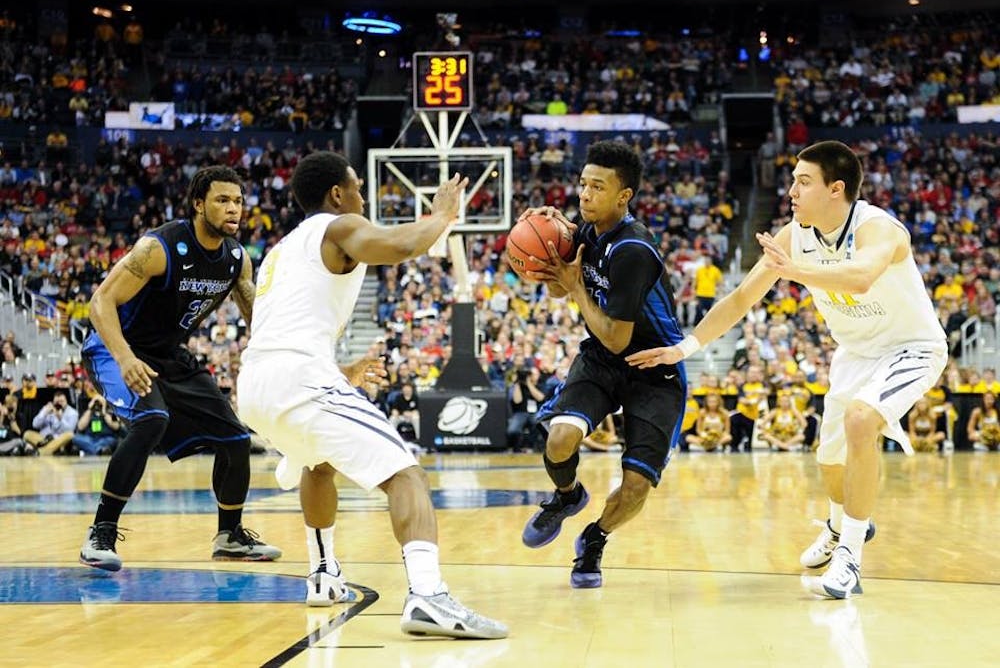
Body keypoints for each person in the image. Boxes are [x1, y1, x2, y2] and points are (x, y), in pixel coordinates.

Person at [627, 140, 947, 600]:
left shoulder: (880, 229)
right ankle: (845, 525)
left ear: (836, 189)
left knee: (861, 421)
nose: (791, 190)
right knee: (829, 463)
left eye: (803, 181)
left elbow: (860, 277)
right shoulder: (794, 236)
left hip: (911, 348)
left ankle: (850, 558)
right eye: (792, 181)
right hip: (855, 353)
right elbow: (740, 299)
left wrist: (794, 271)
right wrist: (686, 347)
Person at [237, 151, 506, 639]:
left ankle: (323, 574)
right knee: (407, 475)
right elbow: (399, 246)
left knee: (319, 464)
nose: (363, 197)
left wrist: (341, 371)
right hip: (298, 378)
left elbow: (279, 335)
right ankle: (428, 596)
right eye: (358, 187)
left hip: (257, 382)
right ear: (338, 194)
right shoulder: (339, 226)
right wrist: (443, 214)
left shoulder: (281, 250)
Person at [79, 165, 281, 572]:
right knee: (152, 417)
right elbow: (100, 302)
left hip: (170, 354)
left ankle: (230, 536)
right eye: (222, 200)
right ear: (197, 204)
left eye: (238, 201)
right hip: (115, 346)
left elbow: (258, 321)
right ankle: (100, 532)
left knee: (236, 438)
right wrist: (125, 358)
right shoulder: (159, 247)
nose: (233, 209)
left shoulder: (236, 259)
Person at [519, 140, 687, 590]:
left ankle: (595, 538)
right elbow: (559, 288)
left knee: (636, 485)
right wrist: (539, 250)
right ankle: (567, 496)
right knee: (559, 438)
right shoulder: (586, 233)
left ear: (623, 196)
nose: (585, 194)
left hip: (655, 369)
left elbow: (617, 336)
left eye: (597, 186)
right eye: (582, 184)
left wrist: (575, 290)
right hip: (602, 361)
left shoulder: (633, 248)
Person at [25, 390, 78, 455]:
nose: (59, 404)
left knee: (70, 435)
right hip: (42, 439)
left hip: (58, 440)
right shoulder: (47, 409)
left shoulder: (72, 413)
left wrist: (60, 418)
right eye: (57, 402)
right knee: (27, 434)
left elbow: (69, 430)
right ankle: (50, 450)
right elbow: (35, 425)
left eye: (62, 401)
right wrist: (44, 412)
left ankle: (40, 452)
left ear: (66, 401)